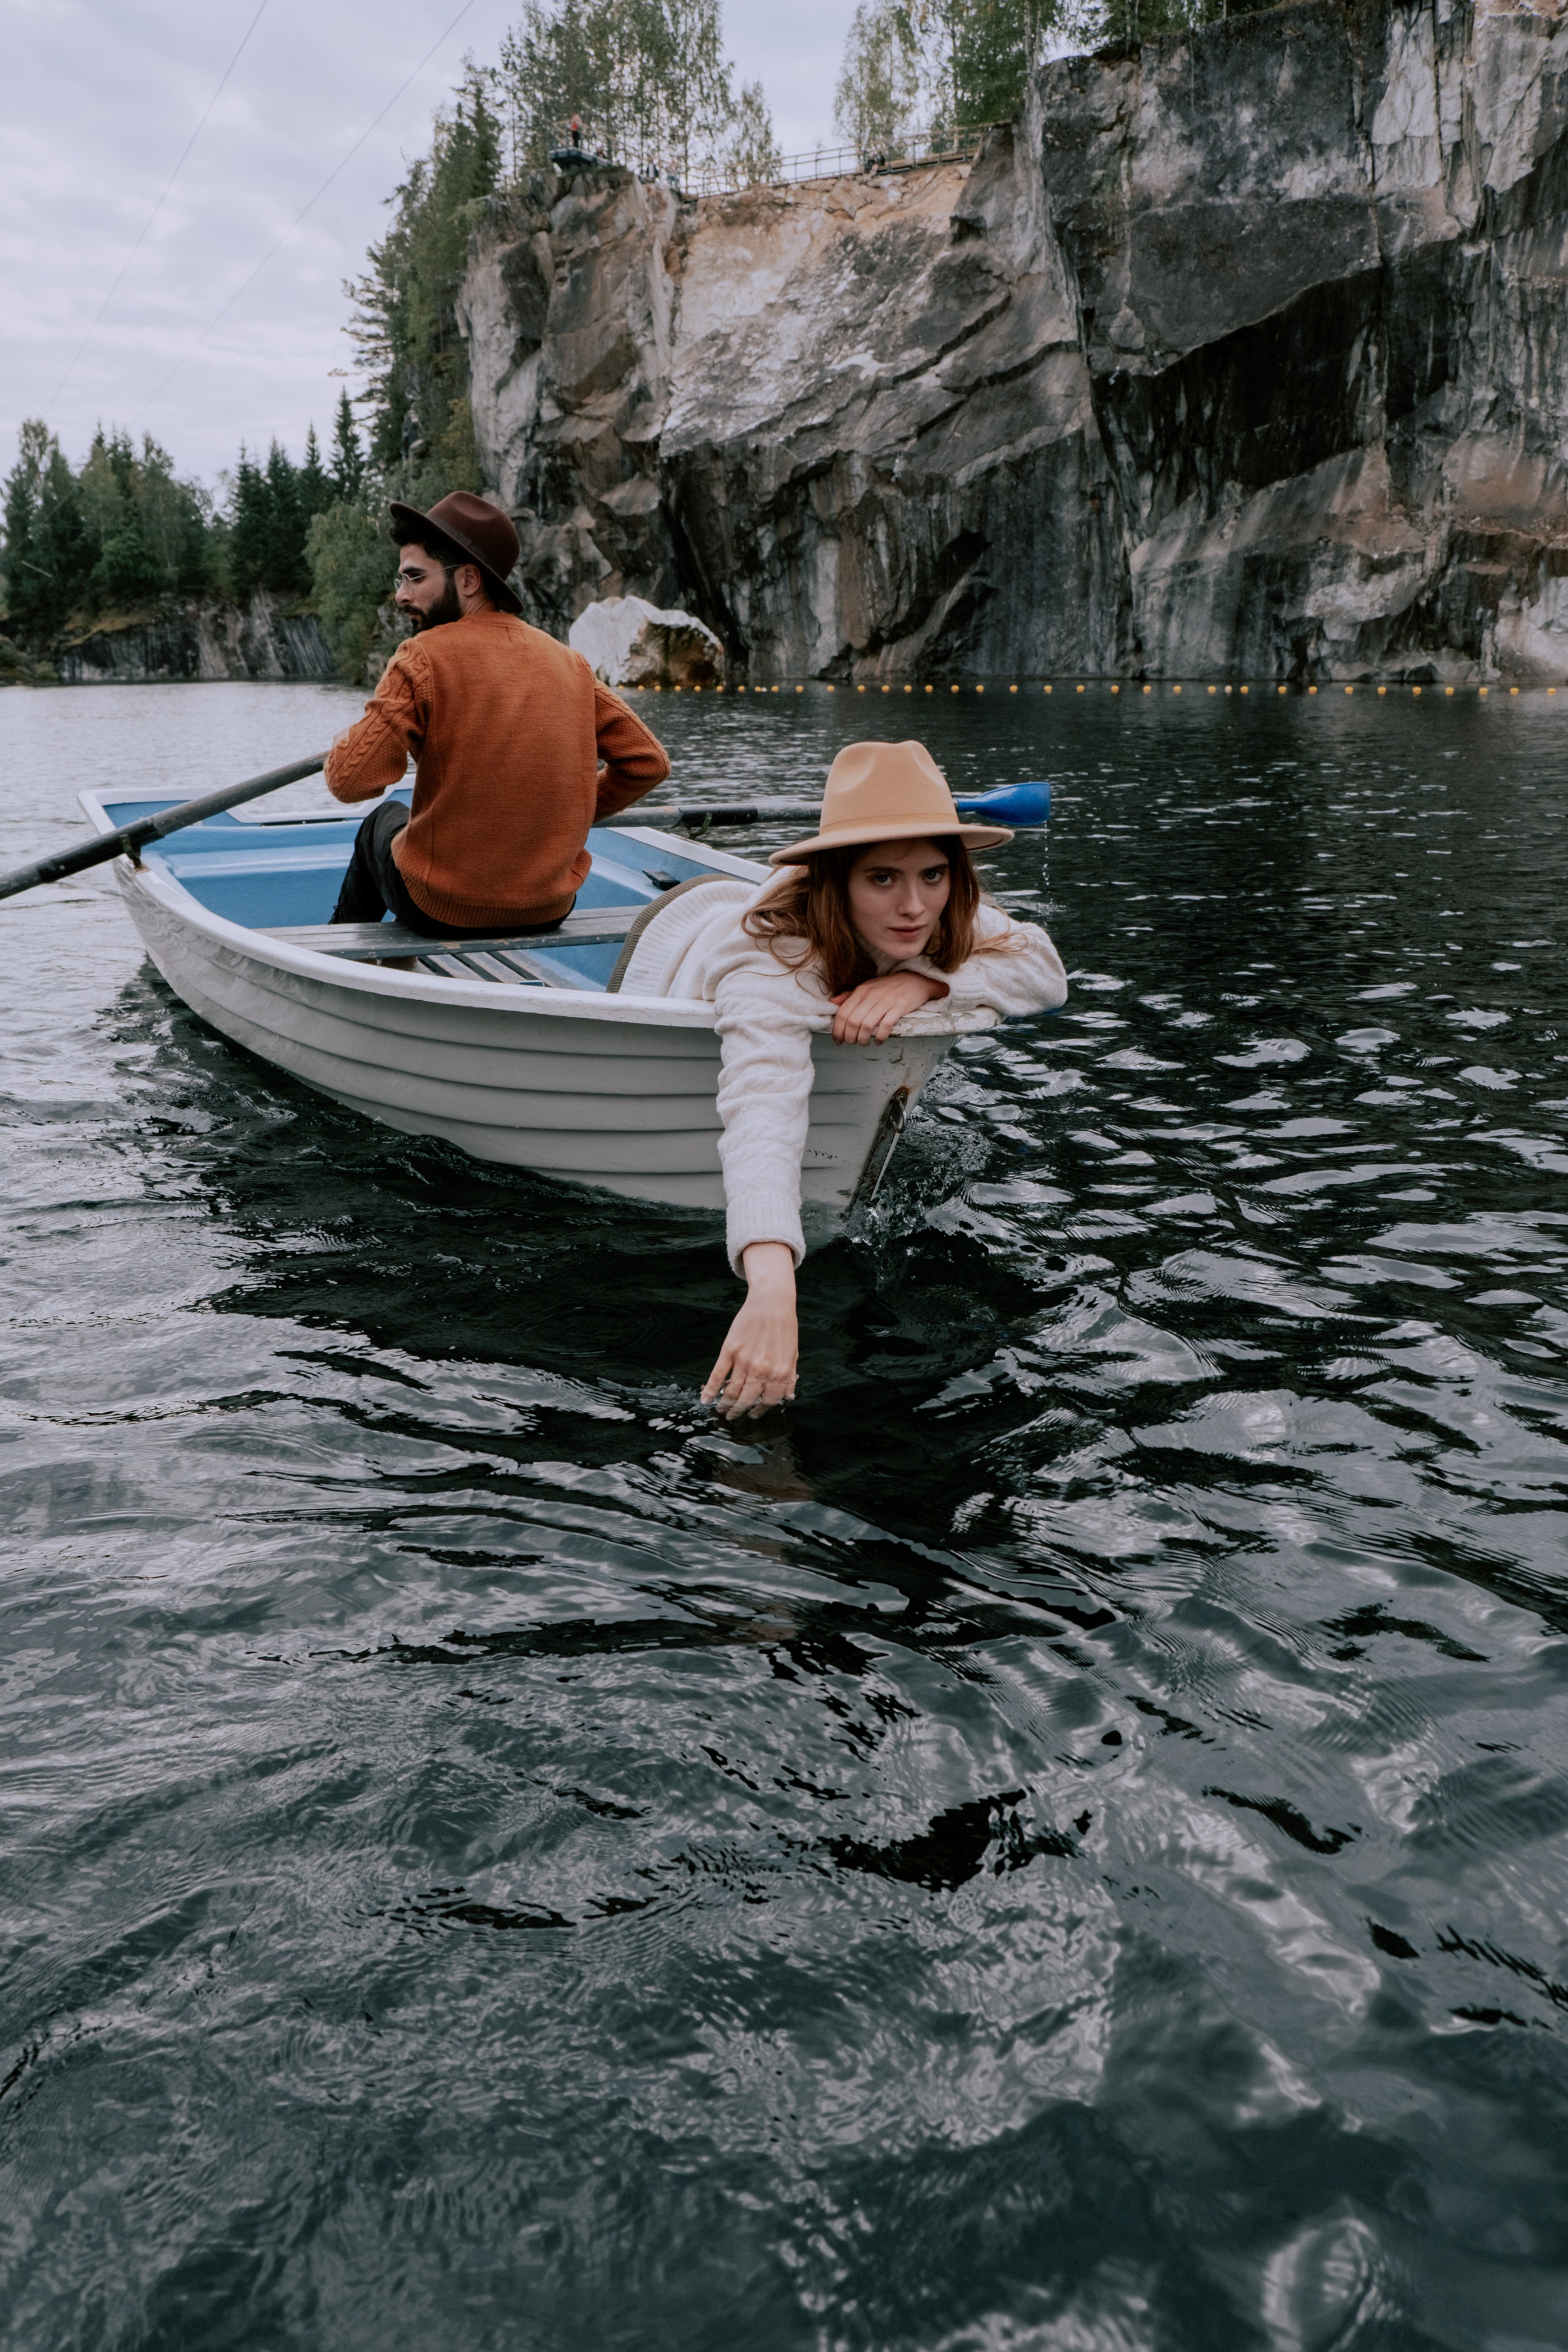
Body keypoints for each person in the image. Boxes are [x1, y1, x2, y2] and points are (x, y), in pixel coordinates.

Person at [612, 740, 1069, 1418]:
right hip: (667, 945)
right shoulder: (770, 966)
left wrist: (922, 983)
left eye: (933, 875)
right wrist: (770, 1288)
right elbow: (762, 1112)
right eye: (882, 878)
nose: (915, 906)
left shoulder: (938, 913)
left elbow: (1042, 968)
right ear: (837, 880)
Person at [325, 491, 670, 938]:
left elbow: (349, 780)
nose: (401, 596)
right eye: (400, 581)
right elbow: (648, 763)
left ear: (468, 581)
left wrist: (345, 741)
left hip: (439, 908)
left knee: (381, 822)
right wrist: (565, 813)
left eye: (414, 578)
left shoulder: (421, 657)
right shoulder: (569, 662)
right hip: (549, 907)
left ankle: (343, 964)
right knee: (413, 822)